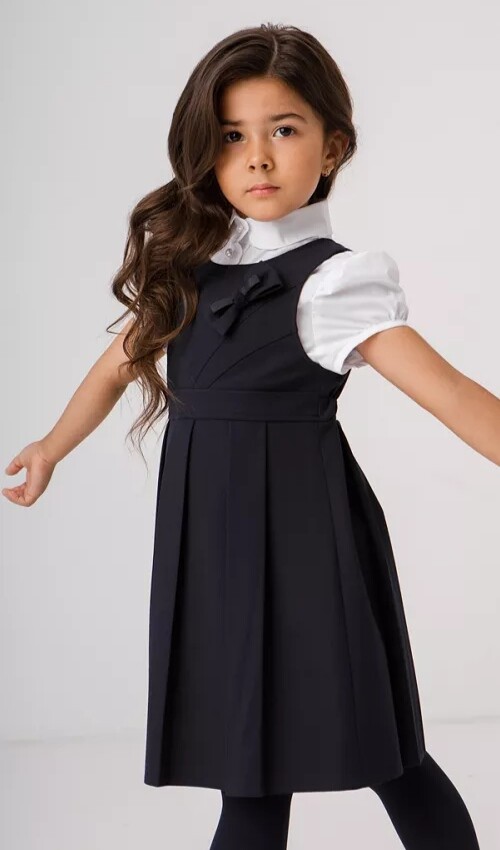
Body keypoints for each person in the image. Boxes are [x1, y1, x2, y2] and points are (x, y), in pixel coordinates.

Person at [3, 21, 496, 850]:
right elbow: (116, 366)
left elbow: (450, 394)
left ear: (333, 145)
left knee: (391, 758)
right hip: (215, 553)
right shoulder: (188, 270)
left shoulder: (335, 284)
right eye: (232, 136)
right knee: (249, 777)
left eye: (284, 130)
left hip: (314, 552)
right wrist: (52, 447)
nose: (257, 158)